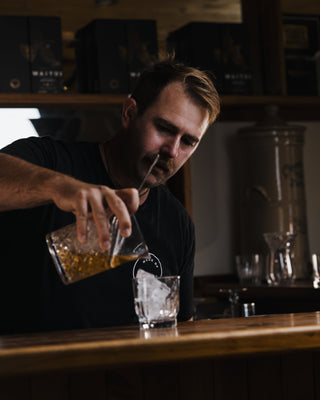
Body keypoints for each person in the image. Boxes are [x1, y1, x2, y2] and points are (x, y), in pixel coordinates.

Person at [0, 58, 220, 335]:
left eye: (188, 141)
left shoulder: (177, 222)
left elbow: (180, 328)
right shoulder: (52, 160)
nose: (173, 151)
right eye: (164, 128)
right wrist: (59, 187)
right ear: (129, 113)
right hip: (34, 372)